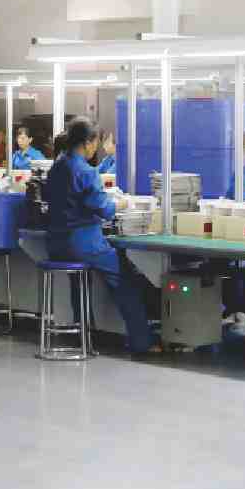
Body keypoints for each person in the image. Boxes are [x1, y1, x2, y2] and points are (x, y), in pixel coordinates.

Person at [46, 117, 158, 356]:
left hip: (56, 244)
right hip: (83, 244)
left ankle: (82, 336)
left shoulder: (57, 166)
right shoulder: (86, 171)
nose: (96, 148)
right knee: (125, 280)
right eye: (96, 142)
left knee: (79, 283)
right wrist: (122, 203)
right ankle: (142, 342)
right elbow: (104, 210)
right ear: (88, 142)